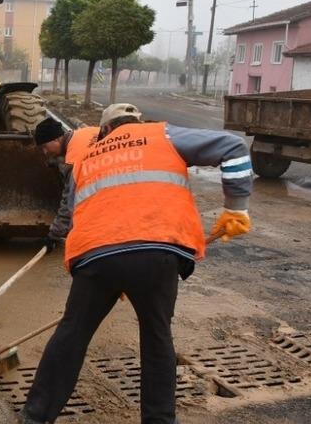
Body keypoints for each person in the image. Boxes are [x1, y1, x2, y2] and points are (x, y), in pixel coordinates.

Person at [21, 104, 253, 424]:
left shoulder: (87, 158)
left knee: (71, 334)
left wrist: (112, 276)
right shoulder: (162, 134)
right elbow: (234, 147)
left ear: (103, 132)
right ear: (137, 124)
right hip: (156, 256)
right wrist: (236, 207)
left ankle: (35, 417)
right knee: (157, 339)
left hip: (97, 259)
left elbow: (77, 214)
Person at [33, 117, 99, 254]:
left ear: (56, 139)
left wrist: (54, 235)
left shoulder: (73, 159)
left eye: (45, 147)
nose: (45, 152)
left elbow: (70, 202)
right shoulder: (85, 133)